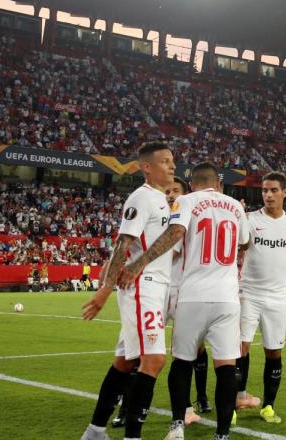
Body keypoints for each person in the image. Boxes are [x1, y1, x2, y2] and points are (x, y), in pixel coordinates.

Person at [117, 162, 249, 440]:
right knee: (226, 366)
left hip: (193, 295)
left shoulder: (185, 201)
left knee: (182, 361)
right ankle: (222, 434)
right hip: (227, 297)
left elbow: (175, 235)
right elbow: (245, 242)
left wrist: (140, 262)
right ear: (219, 184)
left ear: (191, 184)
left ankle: (177, 426)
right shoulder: (236, 207)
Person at [80, 142, 175, 440]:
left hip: (155, 287)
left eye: (172, 161)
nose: (172, 166)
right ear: (147, 167)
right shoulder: (141, 198)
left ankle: (95, 430)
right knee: (154, 360)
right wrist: (104, 291)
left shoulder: (162, 200)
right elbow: (124, 243)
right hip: (142, 287)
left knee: (125, 361)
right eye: (165, 161)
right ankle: (132, 436)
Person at [111, 176, 202, 430]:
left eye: (177, 191)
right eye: (169, 191)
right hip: (152, 289)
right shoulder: (159, 218)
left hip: (181, 293)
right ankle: (126, 409)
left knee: (184, 354)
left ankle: (187, 409)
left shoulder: (188, 222)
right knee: (136, 354)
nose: (172, 195)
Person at [237, 171, 286, 424]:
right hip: (249, 294)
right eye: (265, 190)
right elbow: (241, 246)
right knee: (240, 348)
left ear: (285, 192)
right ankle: (235, 401)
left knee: (274, 352)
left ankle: (268, 406)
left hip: (278, 298)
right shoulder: (250, 219)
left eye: (273, 190)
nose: (268, 195)